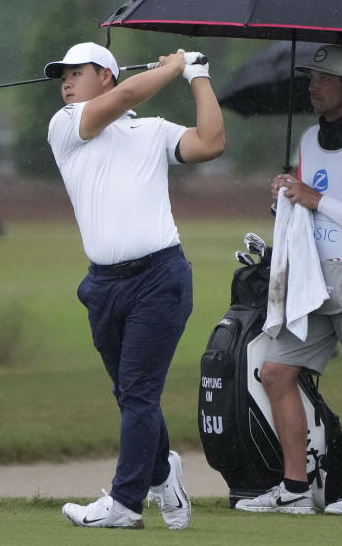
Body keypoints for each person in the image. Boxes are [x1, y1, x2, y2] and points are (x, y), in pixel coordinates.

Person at [45, 42, 224, 530]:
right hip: (102, 285)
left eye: (75, 73)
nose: (65, 82)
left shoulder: (152, 132)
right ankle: (164, 473)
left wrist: (196, 76)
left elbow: (210, 142)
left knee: (140, 393)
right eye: (62, 75)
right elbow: (123, 99)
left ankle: (126, 503)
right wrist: (171, 68)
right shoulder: (66, 126)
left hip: (160, 278)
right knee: (129, 393)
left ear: (105, 74)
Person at [236, 44, 342, 517]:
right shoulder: (309, 139)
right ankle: (294, 486)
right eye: (310, 79)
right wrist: (286, 196)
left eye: (324, 79)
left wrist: (312, 196)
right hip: (314, 276)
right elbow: (307, 201)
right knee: (275, 372)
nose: (313, 87)